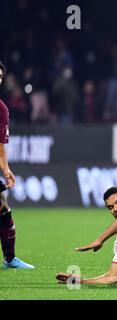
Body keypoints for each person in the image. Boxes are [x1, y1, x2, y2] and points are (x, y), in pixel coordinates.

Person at [0, 61, 34, 269]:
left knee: (2, 206)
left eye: (0, 76)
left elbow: (0, 145)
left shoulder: (1, 109)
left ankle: (10, 259)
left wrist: (5, 169)